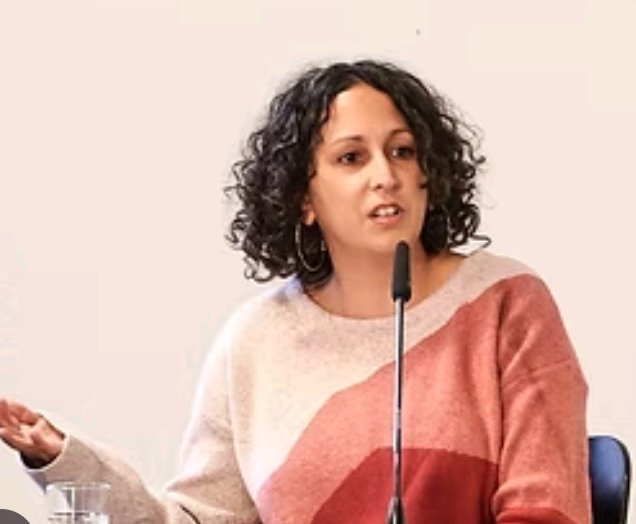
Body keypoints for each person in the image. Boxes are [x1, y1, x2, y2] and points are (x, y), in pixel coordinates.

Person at [0, 59, 590, 523]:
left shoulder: (507, 303)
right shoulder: (258, 339)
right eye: (352, 158)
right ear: (302, 198)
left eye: (403, 151)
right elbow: (203, 520)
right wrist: (69, 462)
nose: (386, 176)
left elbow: (547, 509)